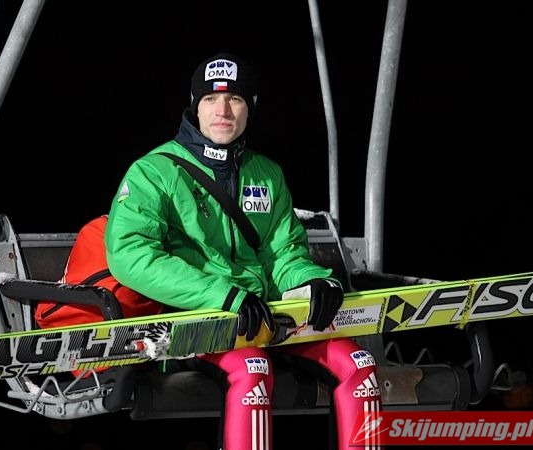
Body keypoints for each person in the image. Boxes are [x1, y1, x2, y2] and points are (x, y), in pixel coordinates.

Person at [105, 52, 382, 450]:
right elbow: (129, 254)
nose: (222, 111)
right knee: (253, 370)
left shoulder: (266, 174)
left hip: (267, 319)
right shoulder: (155, 172)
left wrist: (312, 281)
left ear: (250, 107)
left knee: (361, 365)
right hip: (197, 324)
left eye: (234, 99)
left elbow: (282, 252)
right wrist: (224, 295)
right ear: (195, 105)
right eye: (210, 99)